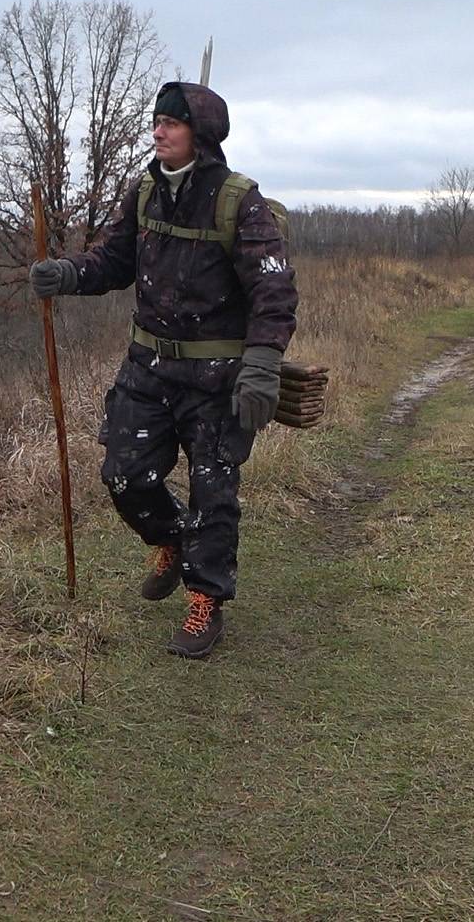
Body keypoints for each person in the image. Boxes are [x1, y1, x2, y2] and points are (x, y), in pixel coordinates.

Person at [30, 81, 297, 659]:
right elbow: (114, 259)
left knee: (213, 491)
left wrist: (262, 366)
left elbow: (274, 290)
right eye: (155, 121)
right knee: (122, 474)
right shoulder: (146, 191)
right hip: (147, 368)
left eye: (170, 124)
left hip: (218, 378)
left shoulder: (239, 202)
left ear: (198, 135)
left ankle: (206, 601)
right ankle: (170, 541)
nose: (157, 132)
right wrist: (70, 273)